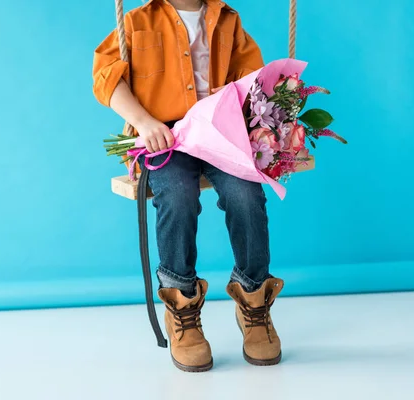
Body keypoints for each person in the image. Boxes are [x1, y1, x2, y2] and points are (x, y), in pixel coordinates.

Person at [92, 0, 284, 372]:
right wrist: (144, 122)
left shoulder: (227, 19)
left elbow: (252, 79)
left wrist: (268, 121)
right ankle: (182, 306)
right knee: (178, 195)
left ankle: (254, 300)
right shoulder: (136, 21)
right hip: (166, 137)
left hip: (217, 133)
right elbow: (107, 76)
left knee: (246, 193)